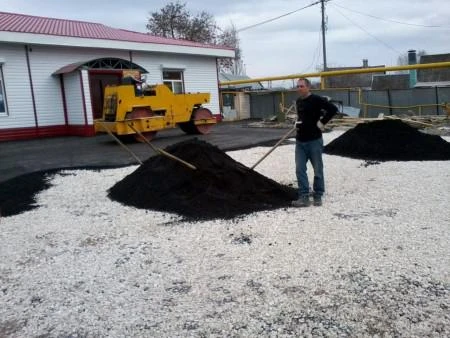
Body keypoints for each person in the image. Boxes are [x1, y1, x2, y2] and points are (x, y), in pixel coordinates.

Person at [292, 78, 338, 207]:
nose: (299, 88)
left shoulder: (316, 100)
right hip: (300, 141)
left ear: (308, 87)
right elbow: (301, 117)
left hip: (314, 140)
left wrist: (322, 122)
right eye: (298, 86)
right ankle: (304, 196)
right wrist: (296, 123)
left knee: (317, 168)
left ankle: (318, 195)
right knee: (299, 169)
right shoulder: (299, 101)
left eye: (301, 86)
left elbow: (333, 109)